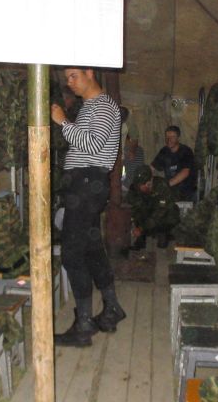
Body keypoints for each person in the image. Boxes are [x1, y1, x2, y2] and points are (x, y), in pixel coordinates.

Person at [50, 67, 125, 347]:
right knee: (92, 249)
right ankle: (112, 308)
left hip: (87, 184)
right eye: (67, 78)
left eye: (74, 76)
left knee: (72, 253)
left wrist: (63, 122)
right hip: (85, 184)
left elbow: (93, 146)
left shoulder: (103, 106)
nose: (69, 83)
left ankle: (83, 325)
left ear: (90, 73)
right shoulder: (91, 106)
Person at [127, 165, 180, 249]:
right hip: (148, 216)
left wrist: (141, 228)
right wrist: (134, 222)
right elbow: (131, 205)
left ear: (150, 180)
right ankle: (142, 238)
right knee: (139, 209)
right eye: (139, 184)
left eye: (144, 183)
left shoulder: (161, 185)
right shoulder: (134, 188)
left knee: (171, 212)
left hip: (161, 216)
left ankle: (164, 233)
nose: (141, 187)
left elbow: (161, 212)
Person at [151, 125, 196, 201]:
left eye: (172, 137)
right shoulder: (164, 151)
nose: (169, 139)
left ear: (178, 138)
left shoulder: (186, 151)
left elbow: (185, 172)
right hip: (171, 190)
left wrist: (167, 185)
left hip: (185, 192)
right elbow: (152, 168)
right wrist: (147, 182)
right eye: (167, 137)